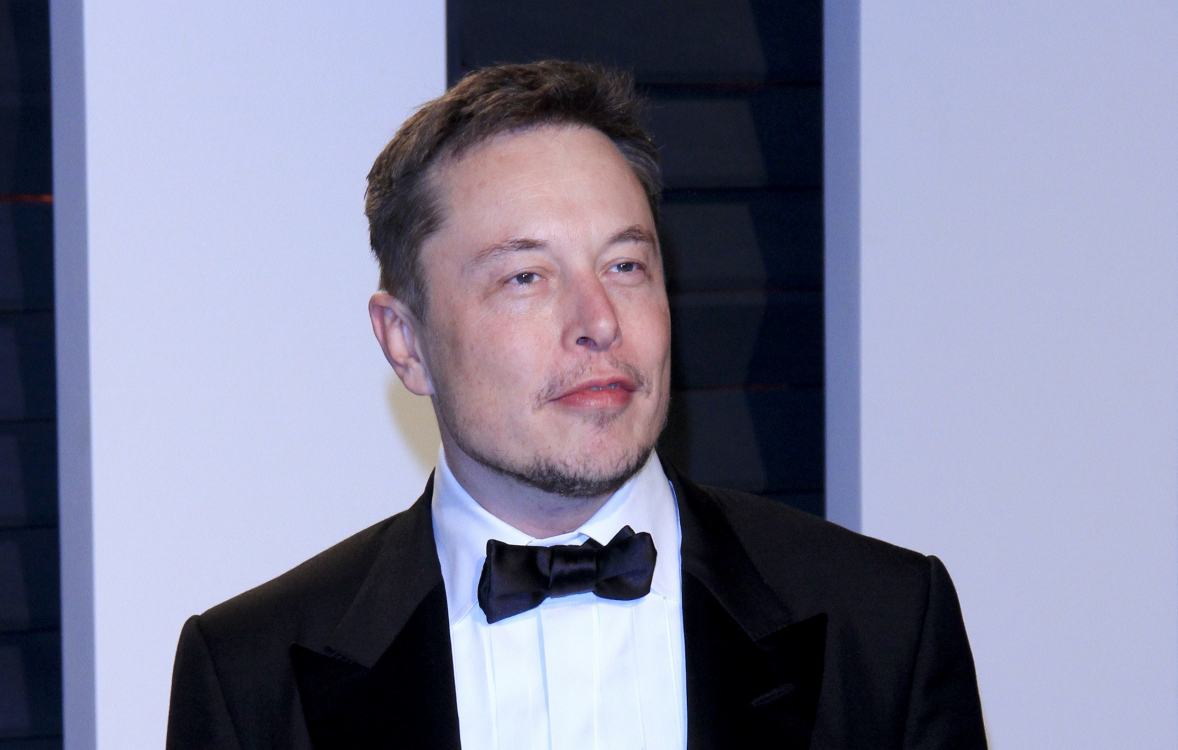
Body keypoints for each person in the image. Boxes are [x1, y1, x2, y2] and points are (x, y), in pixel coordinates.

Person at [166, 60, 986, 750]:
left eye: (625, 266)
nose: (599, 321)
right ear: (405, 342)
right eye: (526, 277)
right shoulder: (250, 680)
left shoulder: (883, 627)